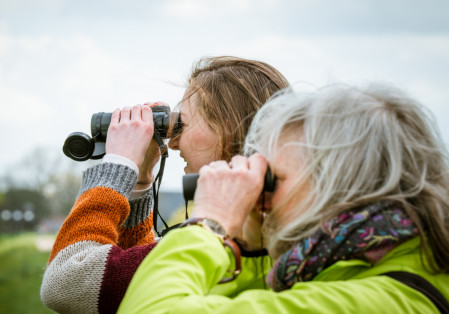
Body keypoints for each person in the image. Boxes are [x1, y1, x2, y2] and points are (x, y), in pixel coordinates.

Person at [117, 83, 449, 313]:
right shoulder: (342, 266)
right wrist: (250, 239)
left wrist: (208, 223)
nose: (261, 196)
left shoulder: (385, 302)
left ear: (339, 187)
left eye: (271, 179)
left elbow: (150, 307)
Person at [40, 56, 290, 313]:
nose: (173, 143)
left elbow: (66, 283)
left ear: (228, 127)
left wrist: (117, 166)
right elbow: (133, 277)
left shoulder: (227, 244)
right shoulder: (268, 235)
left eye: (183, 124)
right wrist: (141, 177)